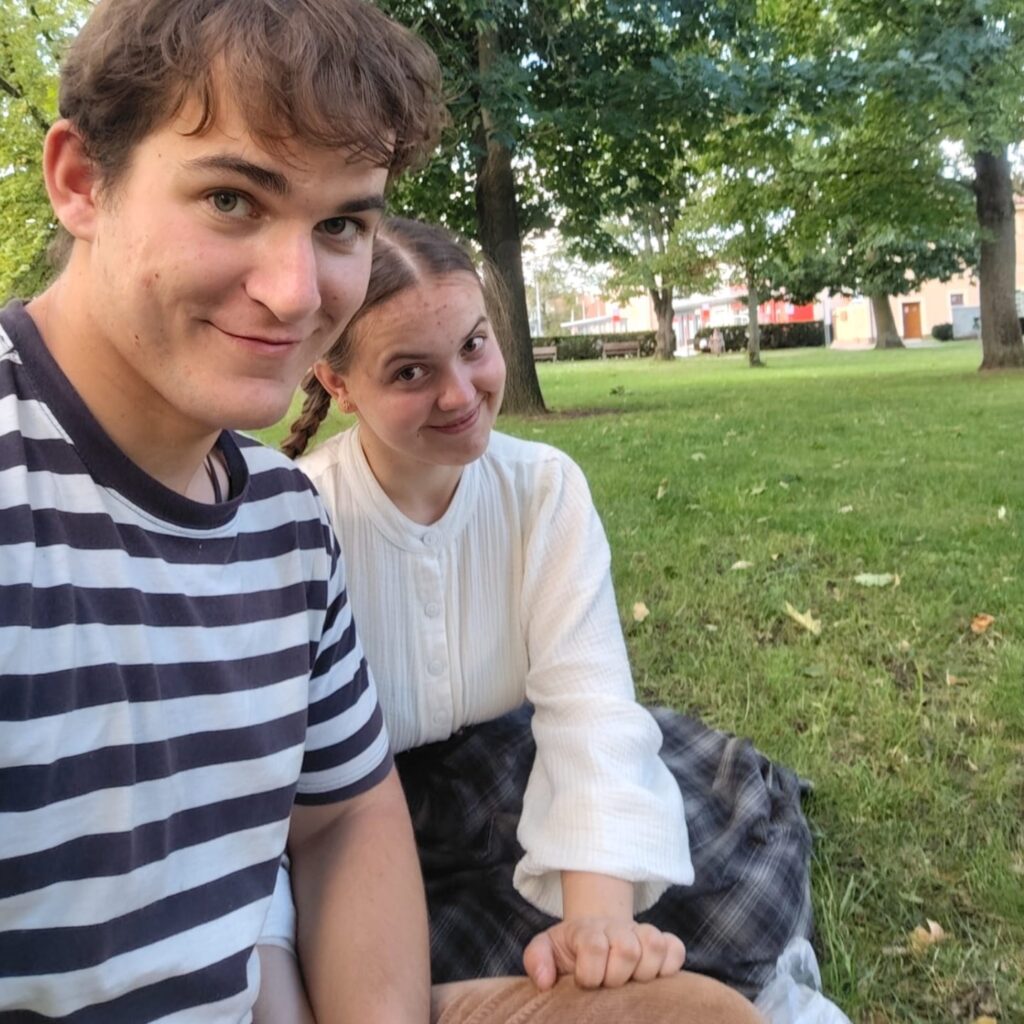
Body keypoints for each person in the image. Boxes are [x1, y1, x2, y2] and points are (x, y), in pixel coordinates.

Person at [0, 2, 447, 1021]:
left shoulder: (286, 518)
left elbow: (342, 819)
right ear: (81, 180)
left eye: (341, 225)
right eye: (232, 200)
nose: (296, 293)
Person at [264, 218, 813, 1019]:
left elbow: (587, 709)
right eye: (411, 371)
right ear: (338, 384)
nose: (461, 393)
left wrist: (598, 925)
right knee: (403, 965)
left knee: (705, 884)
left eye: (474, 346)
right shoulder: (298, 519)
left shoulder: (544, 488)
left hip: (522, 770)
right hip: (363, 820)